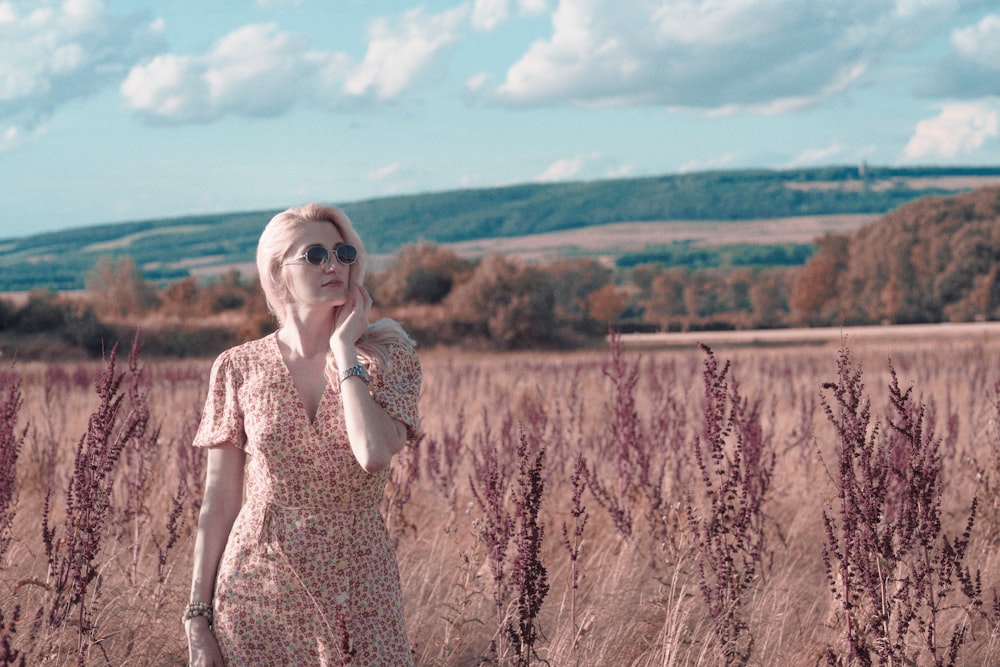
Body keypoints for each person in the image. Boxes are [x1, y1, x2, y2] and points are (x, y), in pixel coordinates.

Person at [184, 203, 421, 666]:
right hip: (257, 586)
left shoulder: (389, 357)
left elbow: (373, 453)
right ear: (277, 273)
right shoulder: (237, 367)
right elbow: (219, 501)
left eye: (343, 252)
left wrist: (343, 349)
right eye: (314, 254)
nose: (334, 264)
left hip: (360, 585)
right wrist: (197, 615)